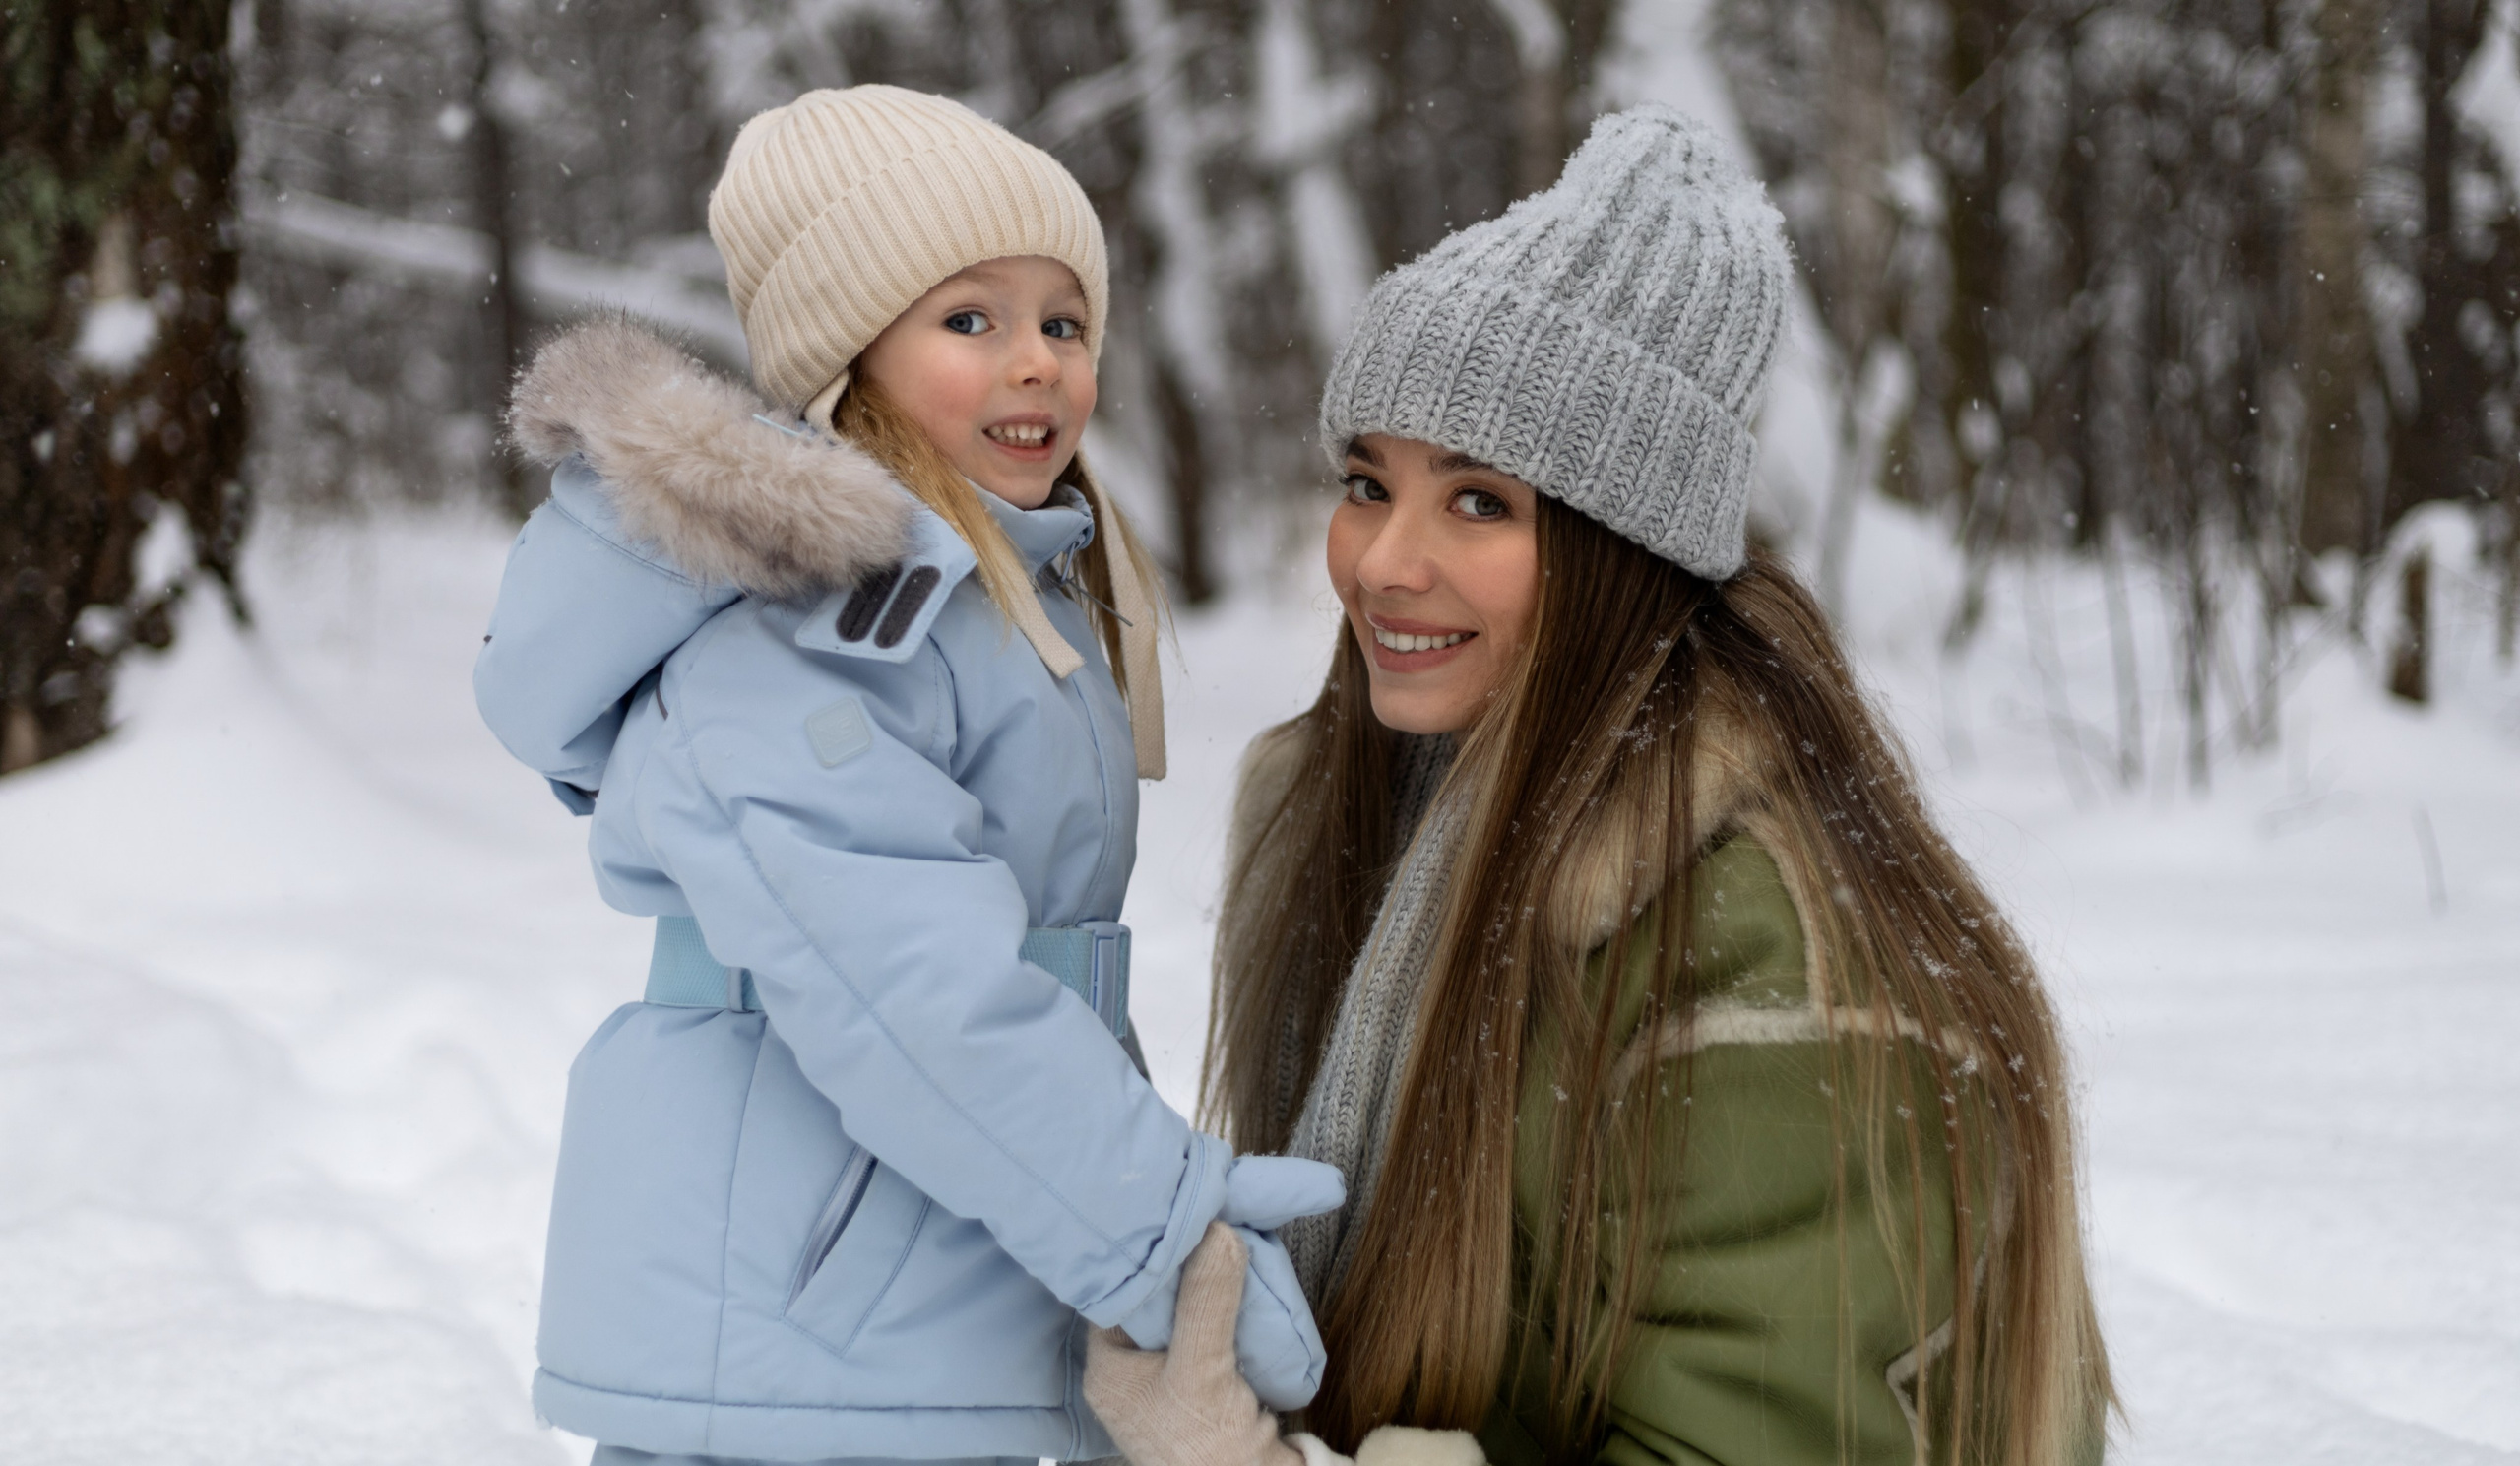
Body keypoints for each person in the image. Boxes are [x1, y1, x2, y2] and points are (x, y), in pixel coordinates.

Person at [1086, 106, 2112, 1466]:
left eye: (1479, 502)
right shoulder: (1377, 816)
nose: (1382, 563)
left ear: (1619, 551)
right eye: (1366, 482)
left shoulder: (1755, 961)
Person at [473, 85, 1339, 1466]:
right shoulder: (806, 637)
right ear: (851, 356)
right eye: (970, 320)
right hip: (806, 1337)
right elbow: (915, 996)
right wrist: (1165, 1237)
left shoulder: (993, 603)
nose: (1038, 362)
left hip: (894, 1316)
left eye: (1065, 322)